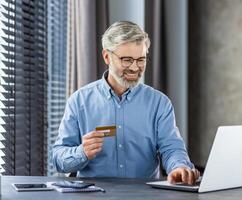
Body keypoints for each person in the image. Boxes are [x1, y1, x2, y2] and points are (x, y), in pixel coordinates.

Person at [52, 21, 200, 185]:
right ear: (107, 56)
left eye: (141, 60)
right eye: (127, 60)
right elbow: (58, 159)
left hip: (144, 196)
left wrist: (179, 167)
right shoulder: (79, 101)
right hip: (93, 195)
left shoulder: (160, 103)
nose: (135, 68)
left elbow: (172, 148)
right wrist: (82, 152)